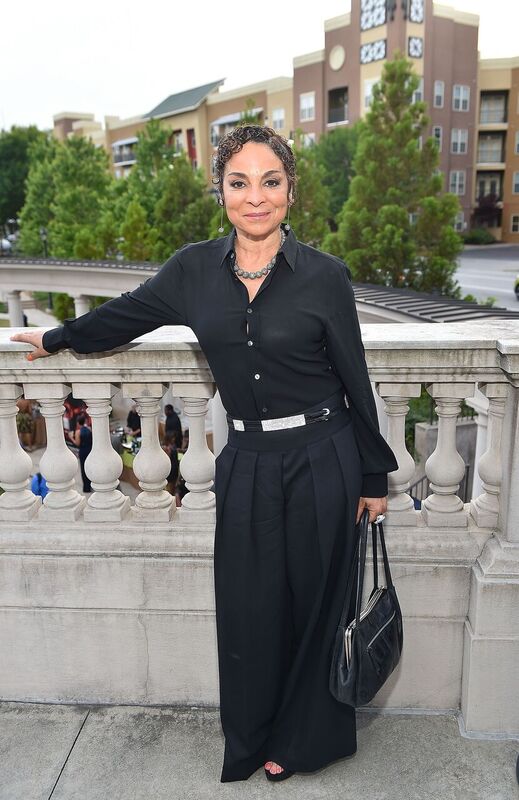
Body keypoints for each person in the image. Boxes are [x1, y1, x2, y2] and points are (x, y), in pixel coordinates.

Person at [10, 124, 398, 785]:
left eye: (270, 182)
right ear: (219, 188)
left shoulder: (325, 277)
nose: (255, 197)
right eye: (239, 182)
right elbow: (125, 315)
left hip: (322, 454)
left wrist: (371, 474)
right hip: (245, 459)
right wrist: (55, 336)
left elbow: (353, 378)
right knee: (249, 606)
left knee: (317, 601)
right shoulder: (192, 271)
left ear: (290, 190)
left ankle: (303, 739)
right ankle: (249, 738)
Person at [71, 413, 93, 493]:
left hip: (83, 451)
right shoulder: (89, 429)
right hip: (90, 450)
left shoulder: (78, 432)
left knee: (84, 469)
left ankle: (86, 488)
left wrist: (71, 438)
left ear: (77, 422)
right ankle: (92, 484)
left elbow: (77, 443)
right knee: (90, 467)